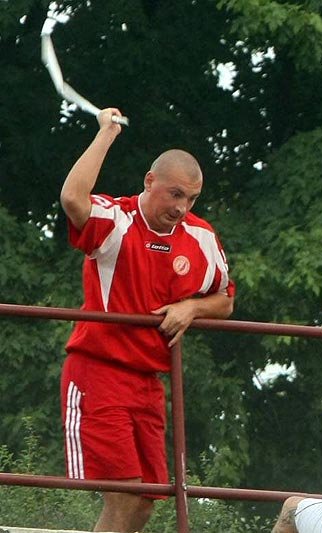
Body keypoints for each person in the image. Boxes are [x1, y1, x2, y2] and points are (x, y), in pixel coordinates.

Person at [59, 108, 235, 533]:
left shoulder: (202, 238)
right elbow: (72, 200)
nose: (182, 207)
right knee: (125, 496)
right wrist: (106, 134)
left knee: (146, 502)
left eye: (191, 199)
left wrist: (192, 307)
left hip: (150, 385)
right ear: (149, 181)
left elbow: (225, 300)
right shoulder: (115, 220)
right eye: (175, 194)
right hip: (99, 373)